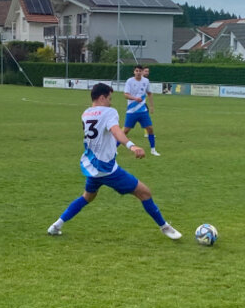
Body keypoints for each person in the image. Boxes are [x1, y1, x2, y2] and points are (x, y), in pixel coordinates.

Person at [47, 83, 181, 240]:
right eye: (109, 98)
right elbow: (116, 131)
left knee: (87, 197)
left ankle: (56, 225)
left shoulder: (86, 113)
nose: (111, 102)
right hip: (106, 168)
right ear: (102, 98)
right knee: (144, 192)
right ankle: (164, 227)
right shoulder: (109, 112)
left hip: (91, 166)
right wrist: (132, 146)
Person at [122, 65, 160, 156]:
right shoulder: (129, 81)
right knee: (125, 131)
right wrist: (135, 98)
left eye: (140, 71)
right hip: (132, 111)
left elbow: (149, 93)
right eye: (136, 71)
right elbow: (126, 95)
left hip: (143, 111)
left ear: (142, 72)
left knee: (150, 129)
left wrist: (151, 106)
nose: (138, 72)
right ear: (134, 72)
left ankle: (153, 150)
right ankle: (114, 148)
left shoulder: (146, 81)